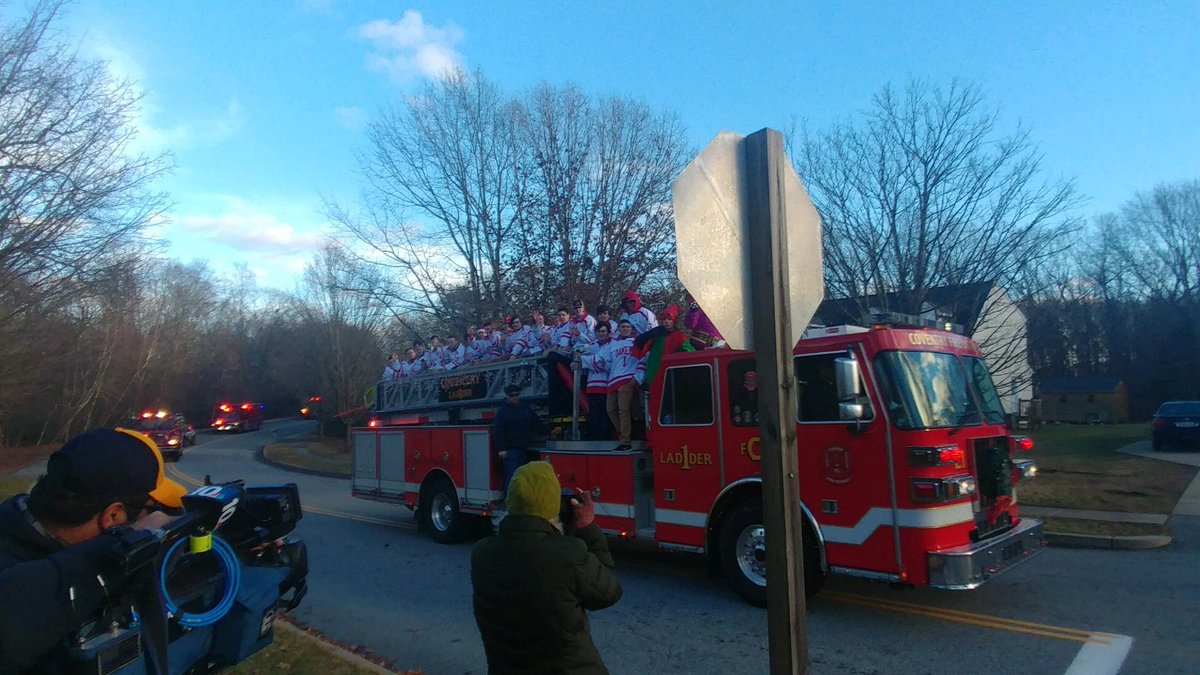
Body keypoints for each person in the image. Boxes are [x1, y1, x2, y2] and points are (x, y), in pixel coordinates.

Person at [0, 428, 187, 673]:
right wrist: (131, 542)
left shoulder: (17, 520)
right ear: (113, 516)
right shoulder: (24, 582)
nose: (153, 516)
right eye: (150, 509)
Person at [471, 461, 621, 675]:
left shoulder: (481, 554)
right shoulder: (567, 554)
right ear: (551, 504)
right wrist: (587, 529)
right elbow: (608, 592)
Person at [493, 384, 546, 495]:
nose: (515, 397)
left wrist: (548, 432)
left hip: (523, 448)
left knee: (521, 476)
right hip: (510, 449)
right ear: (507, 396)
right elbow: (498, 431)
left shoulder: (524, 408)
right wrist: (501, 449)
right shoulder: (502, 411)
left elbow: (535, 422)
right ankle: (508, 499)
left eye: (517, 394)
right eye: (512, 395)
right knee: (512, 476)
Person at [575, 322, 614, 441]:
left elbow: (603, 362)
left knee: (606, 412)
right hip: (592, 385)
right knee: (594, 413)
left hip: (607, 384)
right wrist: (576, 360)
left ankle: (606, 437)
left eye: (603, 331)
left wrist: (584, 360)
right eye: (599, 332)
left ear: (608, 333)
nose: (601, 334)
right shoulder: (591, 345)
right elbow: (576, 352)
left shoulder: (613, 345)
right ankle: (595, 437)